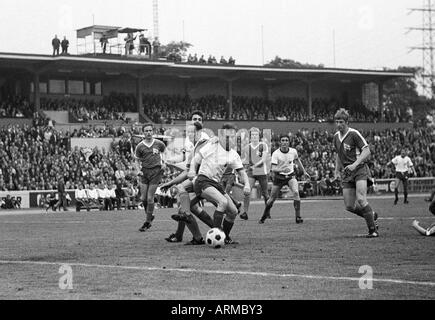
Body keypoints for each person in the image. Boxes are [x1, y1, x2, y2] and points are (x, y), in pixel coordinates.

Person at [188, 123, 251, 244]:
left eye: (233, 136)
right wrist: (191, 170)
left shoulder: (233, 154)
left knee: (233, 212)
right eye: (227, 136)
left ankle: (224, 237)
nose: (230, 139)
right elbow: (196, 159)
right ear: (221, 136)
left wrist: (247, 185)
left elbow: (242, 172)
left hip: (216, 184)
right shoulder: (212, 145)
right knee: (222, 202)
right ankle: (215, 235)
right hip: (203, 180)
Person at [160, 122, 214, 245]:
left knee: (184, 206)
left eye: (192, 132)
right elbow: (187, 168)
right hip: (196, 180)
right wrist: (170, 181)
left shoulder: (205, 142)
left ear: (199, 131)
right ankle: (199, 235)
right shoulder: (193, 146)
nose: (189, 134)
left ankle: (214, 232)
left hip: (207, 181)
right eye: (188, 132)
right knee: (187, 206)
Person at [333, 108, 379, 238]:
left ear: (347, 122)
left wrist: (355, 164)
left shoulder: (354, 134)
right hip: (348, 172)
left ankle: (373, 230)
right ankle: (372, 215)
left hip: (359, 169)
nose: (338, 124)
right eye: (336, 121)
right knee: (349, 206)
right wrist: (337, 170)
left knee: (361, 199)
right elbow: (338, 154)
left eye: (341, 121)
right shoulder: (336, 137)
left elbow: (367, 151)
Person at [259, 135, 310, 225]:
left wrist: (304, 172)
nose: (285, 142)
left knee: (296, 192)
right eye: (283, 140)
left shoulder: (293, 151)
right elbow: (273, 169)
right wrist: (282, 170)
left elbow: (298, 160)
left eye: (286, 140)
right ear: (280, 142)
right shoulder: (276, 153)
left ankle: (298, 217)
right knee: (271, 199)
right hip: (279, 177)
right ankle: (264, 216)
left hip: (290, 175)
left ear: (289, 142)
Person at [136, 124, 167, 232]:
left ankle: (147, 222)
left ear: (152, 132)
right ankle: (150, 215)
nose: (148, 132)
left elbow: (165, 152)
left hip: (156, 172)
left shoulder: (159, 143)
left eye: (150, 130)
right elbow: (136, 160)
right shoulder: (140, 146)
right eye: (146, 131)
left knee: (150, 198)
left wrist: (164, 163)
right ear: (143, 132)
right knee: (143, 199)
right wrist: (138, 170)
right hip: (144, 172)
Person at [240, 128, 270, 220]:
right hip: (251, 172)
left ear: (259, 136)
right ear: (250, 137)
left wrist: (255, 166)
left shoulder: (263, 145)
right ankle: (245, 213)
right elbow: (245, 160)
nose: (254, 136)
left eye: (256, 135)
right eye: (252, 135)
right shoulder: (246, 147)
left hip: (261, 172)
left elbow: (263, 159)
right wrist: (238, 162)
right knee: (247, 192)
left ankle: (267, 212)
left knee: (265, 193)